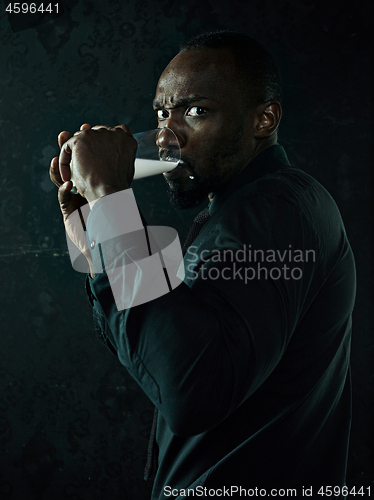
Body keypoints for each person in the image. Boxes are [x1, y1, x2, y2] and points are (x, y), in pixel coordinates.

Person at [50, 31, 356, 499]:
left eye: (196, 111)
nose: (167, 136)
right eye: (161, 113)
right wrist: (95, 243)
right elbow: (156, 357)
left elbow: (191, 391)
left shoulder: (276, 208)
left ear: (264, 119)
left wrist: (112, 201)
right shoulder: (233, 214)